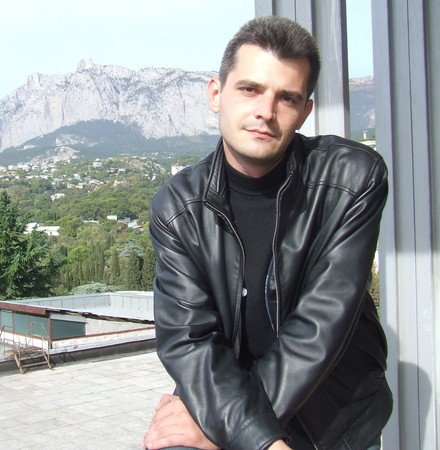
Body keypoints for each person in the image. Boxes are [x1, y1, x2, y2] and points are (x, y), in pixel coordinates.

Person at [143, 16, 392, 450]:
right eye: (250, 89)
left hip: (333, 422)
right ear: (216, 94)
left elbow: (320, 326)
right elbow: (189, 341)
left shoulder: (352, 179)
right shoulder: (178, 207)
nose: (266, 111)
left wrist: (236, 434)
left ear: (304, 112)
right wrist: (251, 433)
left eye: (287, 97)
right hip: (230, 401)